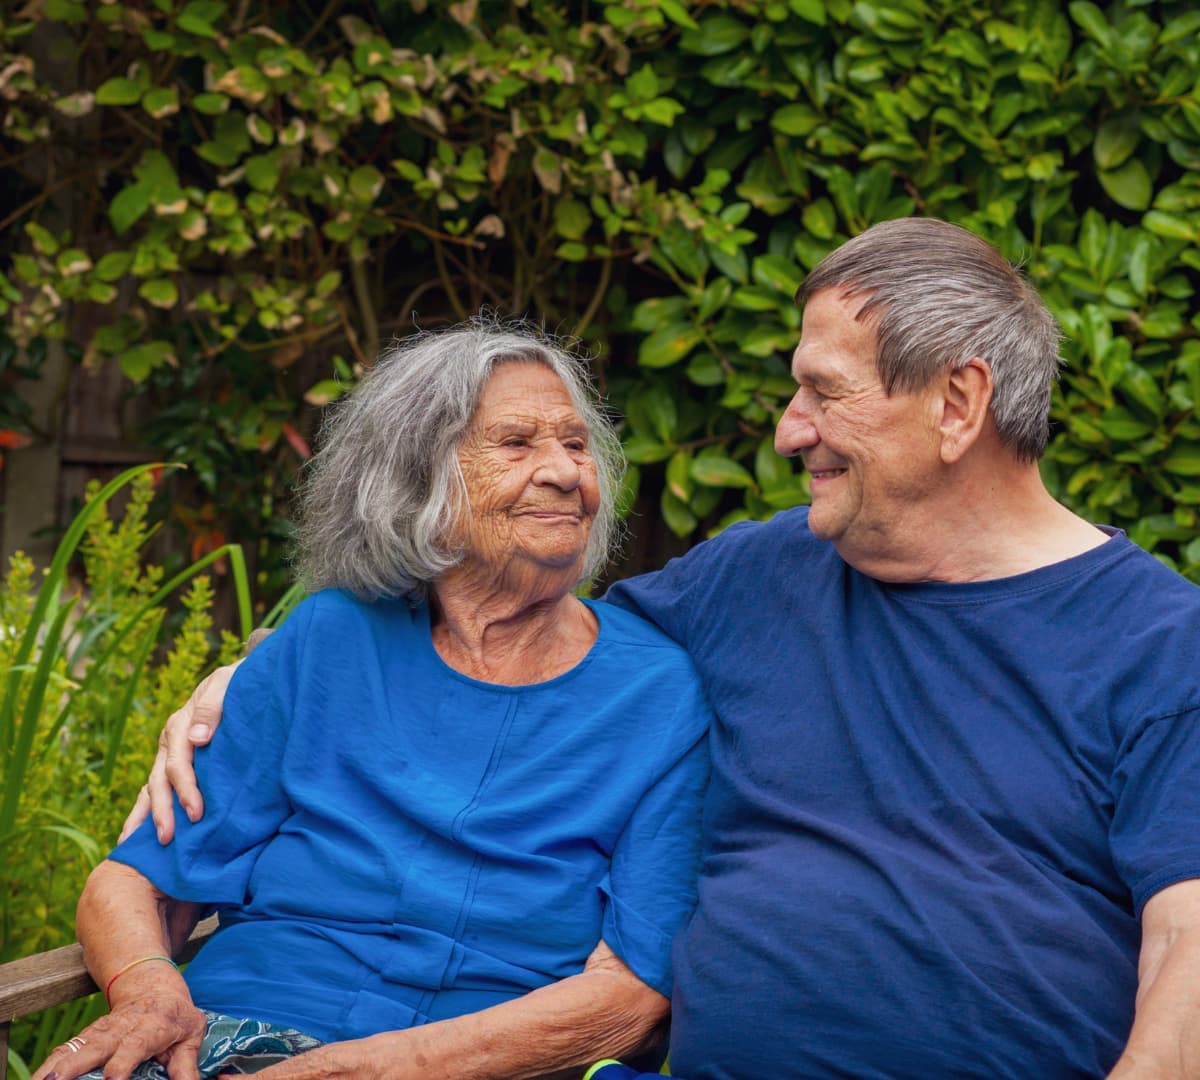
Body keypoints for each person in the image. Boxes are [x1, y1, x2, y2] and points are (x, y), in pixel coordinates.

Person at [126, 219, 1200, 1078]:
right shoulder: (754, 578)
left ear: (958, 402)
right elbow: (501, 623)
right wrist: (256, 671)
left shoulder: (1160, 643)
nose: (787, 428)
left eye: (823, 391)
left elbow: (1187, 945)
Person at [33, 320, 711, 1080]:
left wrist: (357, 1071)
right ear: (420, 480)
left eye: (577, 445)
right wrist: (149, 991)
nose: (563, 471)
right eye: (517, 444)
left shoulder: (660, 697)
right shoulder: (331, 639)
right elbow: (134, 878)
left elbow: (631, 998)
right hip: (232, 1035)